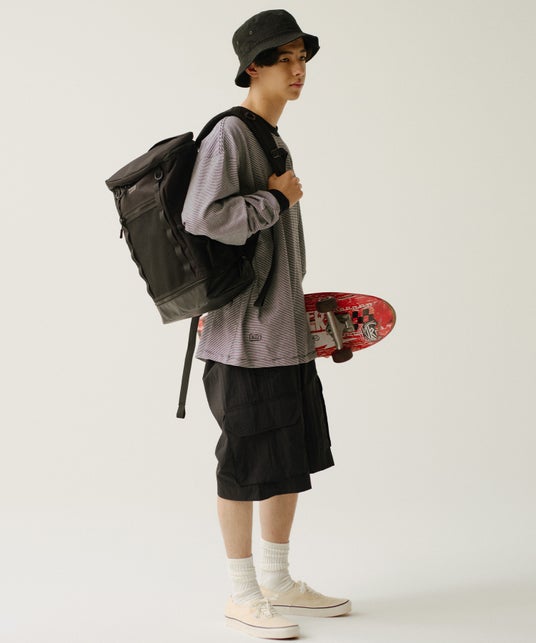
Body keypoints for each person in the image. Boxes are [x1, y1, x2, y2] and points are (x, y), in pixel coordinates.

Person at [182, 9, 351, 639]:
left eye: (302, 58)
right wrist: (277, 198)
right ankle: (242, 593)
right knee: (243, 464)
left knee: (288, 458)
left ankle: (277, 581)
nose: (298, 69)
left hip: (281, 333)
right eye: (285, 59)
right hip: (243, 340)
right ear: (253, 68)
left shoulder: (270, 135)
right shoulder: (232, 134)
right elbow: (202, 217)